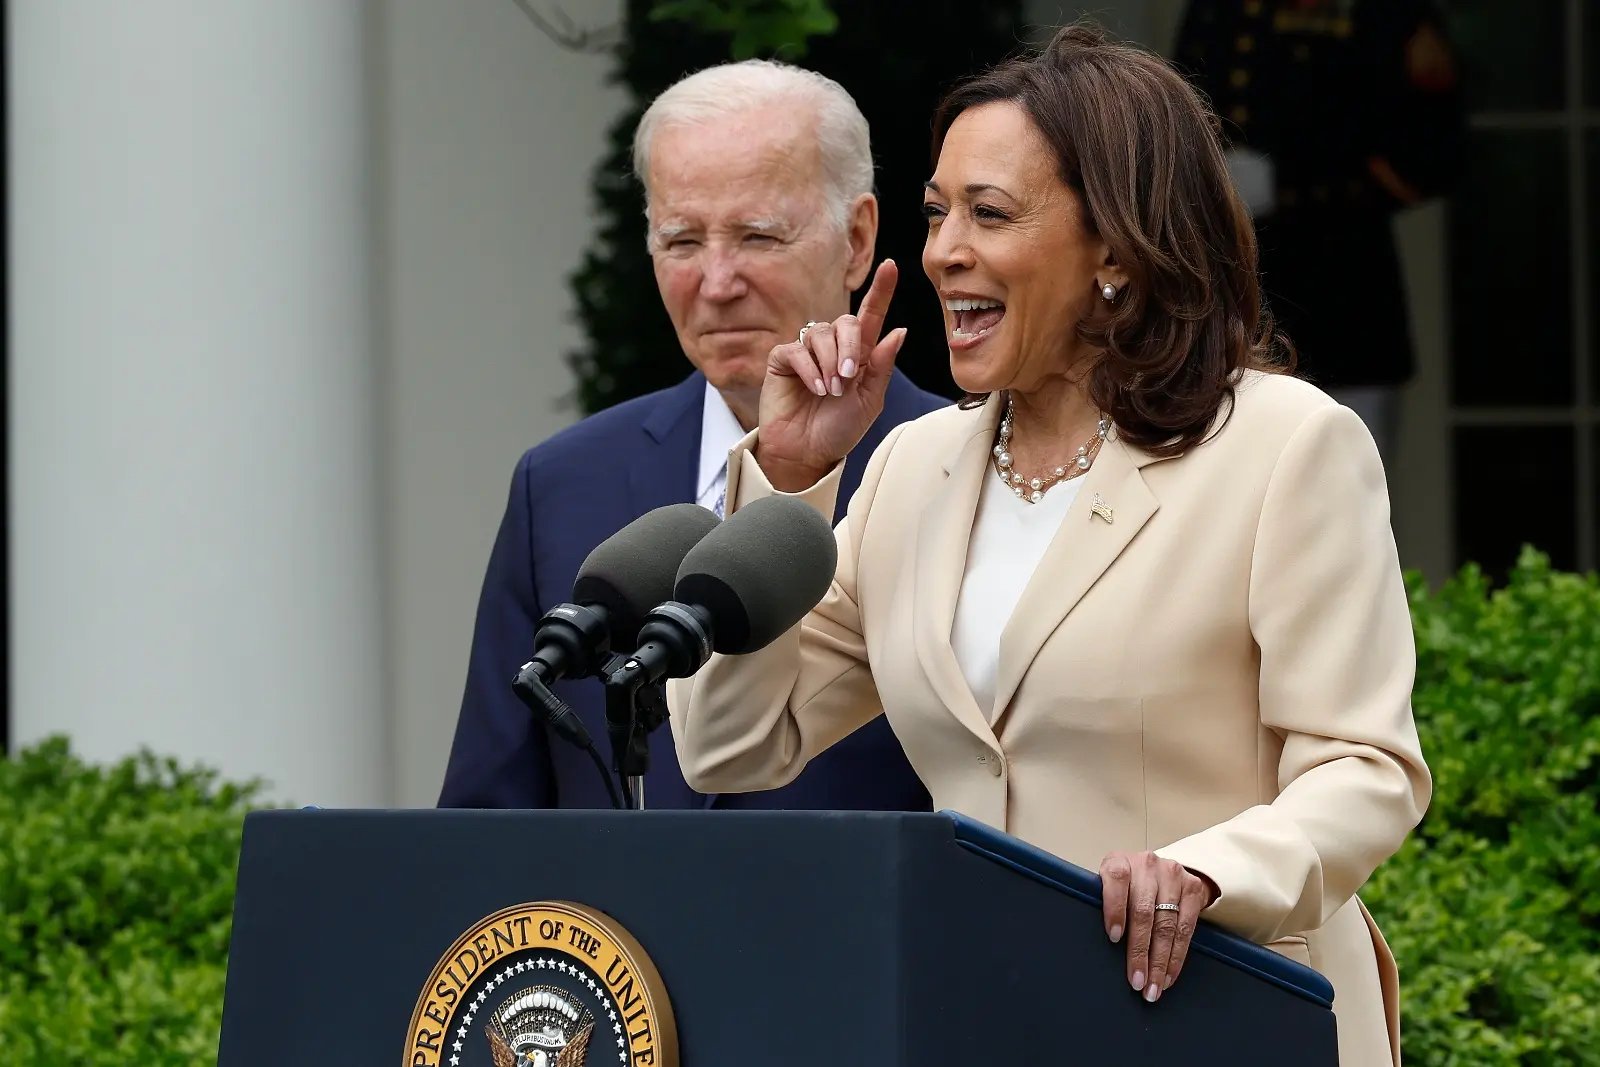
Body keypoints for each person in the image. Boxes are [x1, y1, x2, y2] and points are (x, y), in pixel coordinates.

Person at [667, 25, 1429, 1066]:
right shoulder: (909, 467)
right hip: (990, 1024)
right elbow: (732, 742)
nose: (942, 251)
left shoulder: (1285, 445)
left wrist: (1209, 869)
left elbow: (1364, 766)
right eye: (937, 214)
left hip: (1228, 1012)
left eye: (989, 213)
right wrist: (789, 482)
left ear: (1114, 246)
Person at [438, 60, 947, 811]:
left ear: (858, 238)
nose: (716, 282)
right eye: (681, 241)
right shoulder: (563, 483)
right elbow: (490, 814)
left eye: (757, 236)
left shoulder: (957, 469)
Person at [1172, 0, 1464, 467]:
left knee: (1348, 500)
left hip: (1345, 304)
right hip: (1231, 310)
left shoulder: (1383, 11)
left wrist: (1286, 186)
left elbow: (1431, 157)